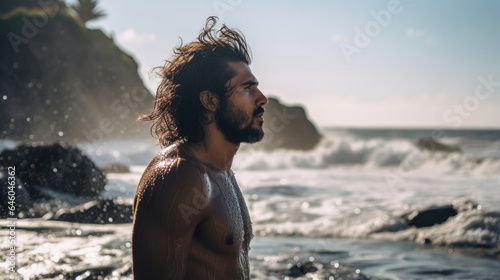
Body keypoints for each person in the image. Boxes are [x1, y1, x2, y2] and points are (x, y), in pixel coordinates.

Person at [132, 16, 268, 279]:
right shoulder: (179, 177)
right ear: (210, 100)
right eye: (247, 89)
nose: (262, 99)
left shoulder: (220, 171)